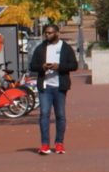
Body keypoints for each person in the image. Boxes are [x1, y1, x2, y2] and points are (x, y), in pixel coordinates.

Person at [28, 23, 79, 155]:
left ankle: (59, 144)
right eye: (46, 33)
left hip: (60, 87)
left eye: (50, 33)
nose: (47, 35)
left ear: (57, 33)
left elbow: (74, 65)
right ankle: (45, 144)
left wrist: (59, 66)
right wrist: (42, 67)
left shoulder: (66, 48)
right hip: (45, 87)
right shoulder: (41, 48)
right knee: (44, 114)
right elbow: (32, 66)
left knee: (60, 115)